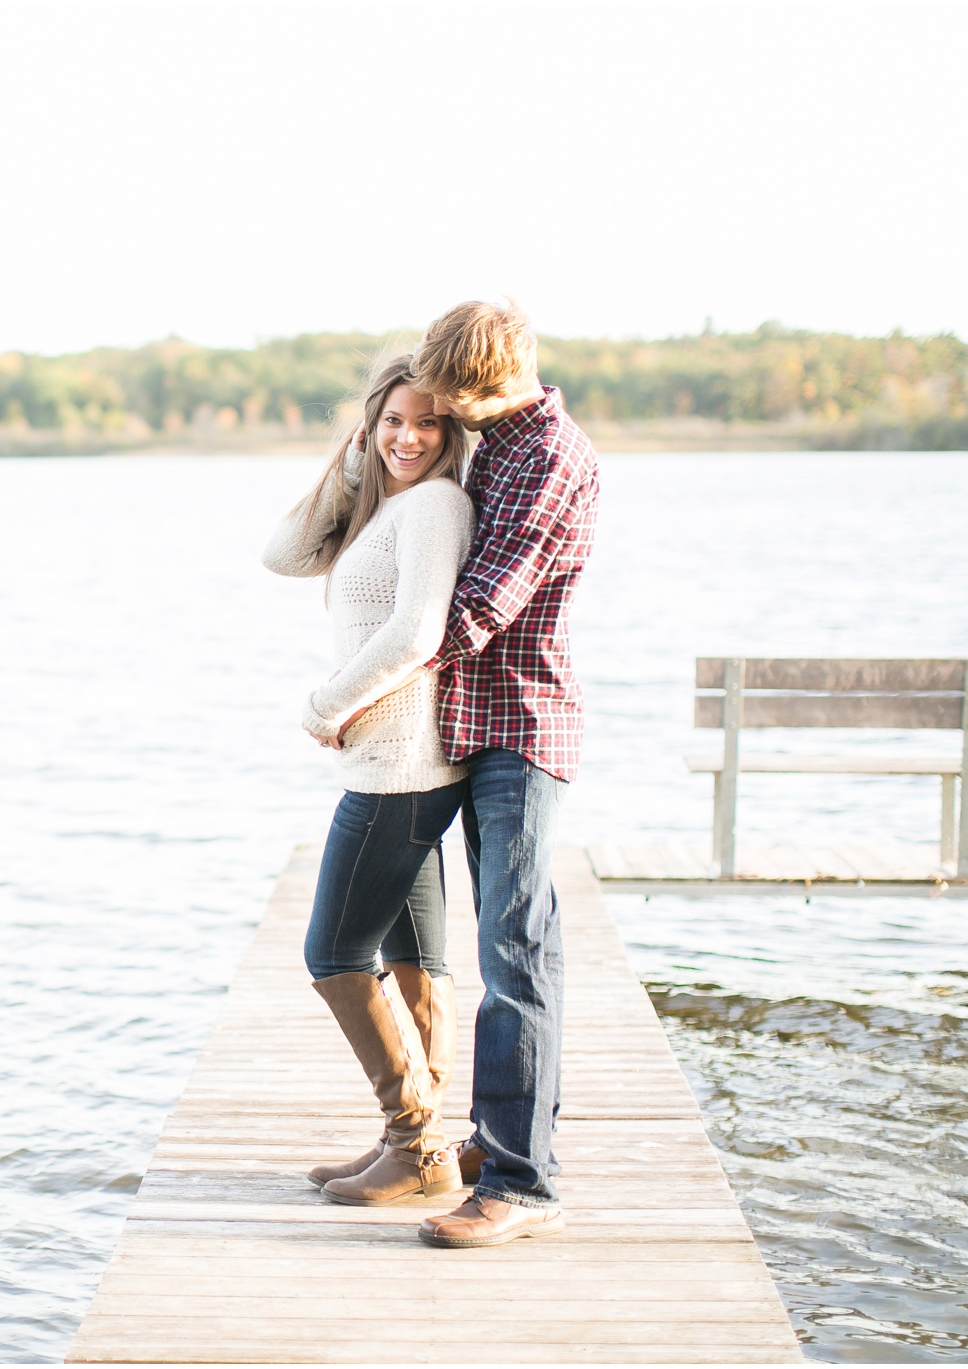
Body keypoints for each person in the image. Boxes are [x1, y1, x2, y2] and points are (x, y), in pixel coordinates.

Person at [406, 300, 600, 1250]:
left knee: (514, 952)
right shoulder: (499, 442)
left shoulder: (554, 455)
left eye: (456, 395)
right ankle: (503, 1137)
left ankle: (521, 1184)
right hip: (479, 724)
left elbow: (482, 607)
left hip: (521, 727)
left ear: (497, 378)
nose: (447, 410)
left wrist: (373, 677)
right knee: (520, 942)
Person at [262, 352, 476, 1207]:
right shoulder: (388, 506)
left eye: (428, 422)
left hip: (399, 767)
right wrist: (357, 458)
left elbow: (420, 629)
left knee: (334, 950)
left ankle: (415, 1139)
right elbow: (282, 553)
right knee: (414, 953)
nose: (409, 436)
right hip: (405, 765)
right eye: (393, 419)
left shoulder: (434, 504)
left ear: (451, 431)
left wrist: (328, 703)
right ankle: (421, 1143)